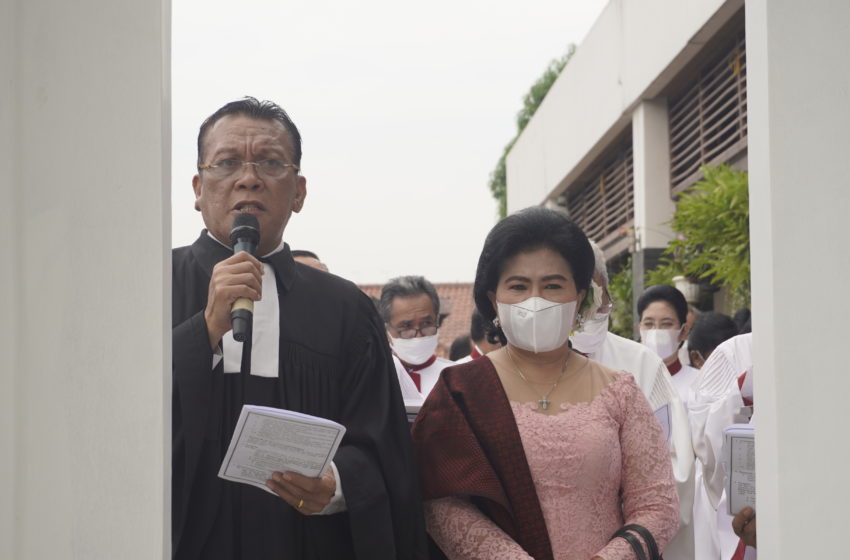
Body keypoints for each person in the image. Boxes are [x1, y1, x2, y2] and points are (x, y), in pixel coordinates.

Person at [172, 97, 426, 559]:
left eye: (270, 162)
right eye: (227, 163)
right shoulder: (146, 288)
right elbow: (111, 417)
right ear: (198, 187)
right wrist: (205, 330)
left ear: (299, 191)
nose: (248, 178)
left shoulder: (347, 310)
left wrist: (339, 484)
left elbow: (383, 447)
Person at [412, 207, 679, 560]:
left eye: (553, 285)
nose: (535, 300)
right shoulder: (461, 391)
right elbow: (439, 502)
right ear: (493, 298)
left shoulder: (620, 391)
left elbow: (657, 504)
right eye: (518, 286)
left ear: (580, 296)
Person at [572, 241, 695, 560]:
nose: (586, 311)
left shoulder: (642, 364)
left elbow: (676, 468)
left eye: (595, 299)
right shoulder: (520, 369)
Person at [380, 275, 454, 405]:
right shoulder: (376, 378)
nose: (419, 336)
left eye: (427, 324)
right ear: (387, 329)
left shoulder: (457, 377)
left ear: (436, 320)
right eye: (406, 327)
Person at [637, 285, 700, 408]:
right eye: (649, 324)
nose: (656, 331)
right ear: (639, 329)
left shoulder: (700, 384)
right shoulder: (624, 384)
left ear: (684, 331)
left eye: (666, 324)